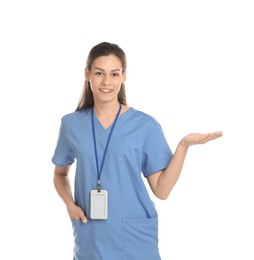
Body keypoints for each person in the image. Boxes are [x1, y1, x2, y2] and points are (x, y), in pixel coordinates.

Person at [52, 42, 222, 260]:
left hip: (135, 240)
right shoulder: (71, 124)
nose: (106, 82)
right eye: (99, 73)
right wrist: (69, 204)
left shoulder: (145, 126)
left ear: (124, 77)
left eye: (114, 74)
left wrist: (183, 146)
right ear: (87, 74)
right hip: (91, 238)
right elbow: (60, 174)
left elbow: (162, 190)